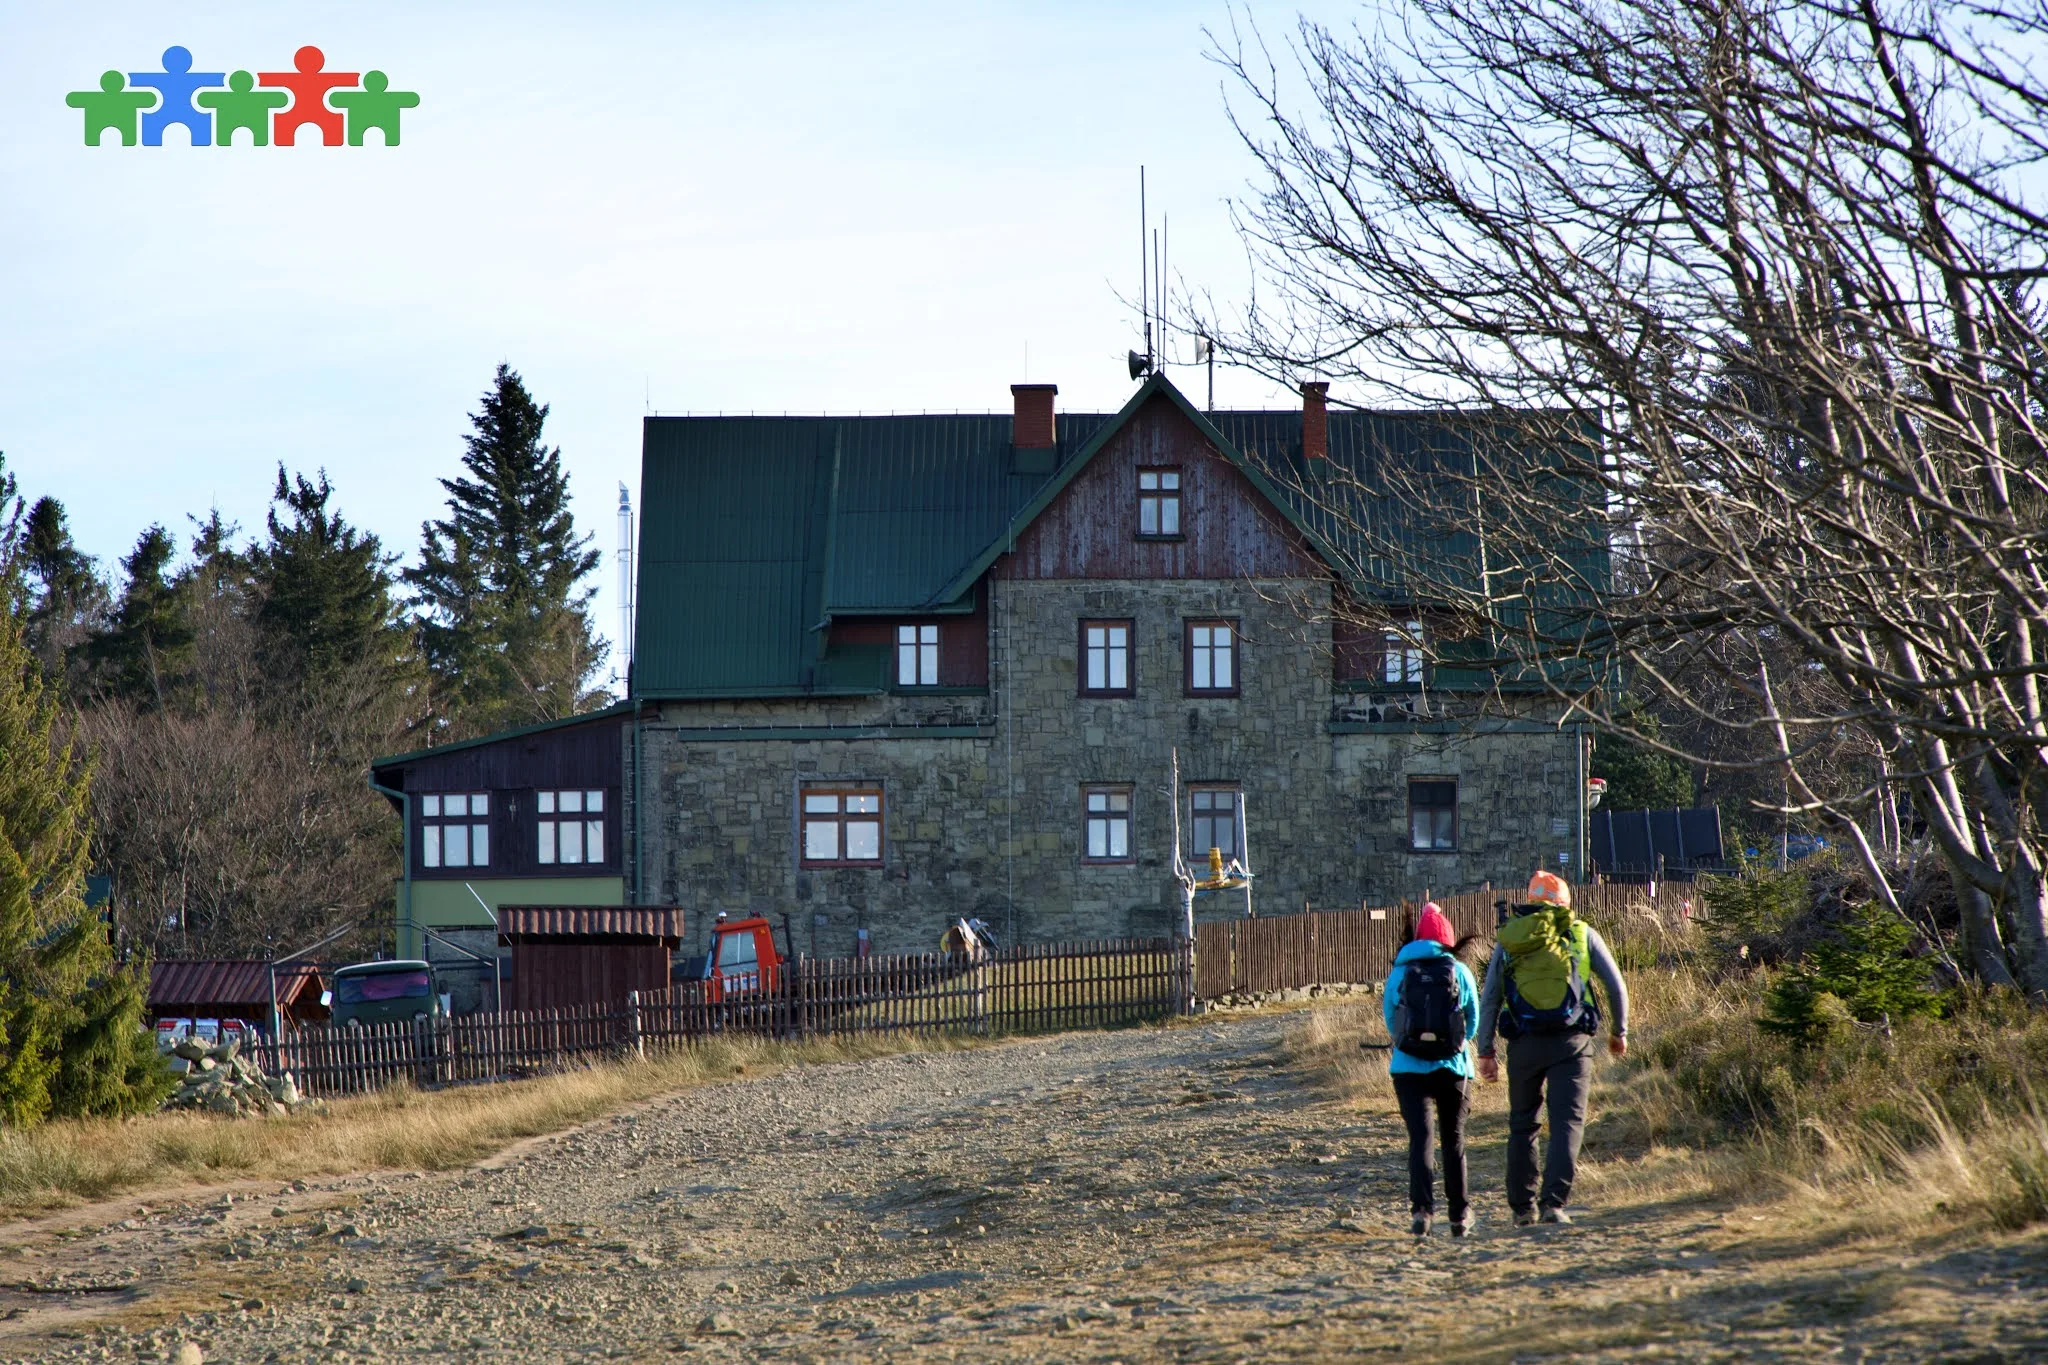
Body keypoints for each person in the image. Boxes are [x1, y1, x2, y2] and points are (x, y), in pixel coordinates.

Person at [1475, 871, 1629, 1226]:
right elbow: (1616, 986)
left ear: (1530, 899)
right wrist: (1619, 1031)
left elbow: (1490, 998)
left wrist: (1486, 1051)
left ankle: (1521, 1209)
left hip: (1523, 1043)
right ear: (1565, 903)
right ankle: (1553, 1205)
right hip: (1572, 1044)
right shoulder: (1581, 932)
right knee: (1566, 1124)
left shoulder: (1511, 938)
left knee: (1522, 1125)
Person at [1382, 902, 1480, 1237]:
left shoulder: (1400, 971)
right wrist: (1456, 1043)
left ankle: (1422, 1212)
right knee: (1453, 1139)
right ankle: (1459, 1215)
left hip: (1408, 1068)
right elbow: (1474, 1019)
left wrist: (1409, 1043)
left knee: (1420, 1139)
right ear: (1449, 938)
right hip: (1453, 1068)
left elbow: (1391, 1020)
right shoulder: (1460, 971)